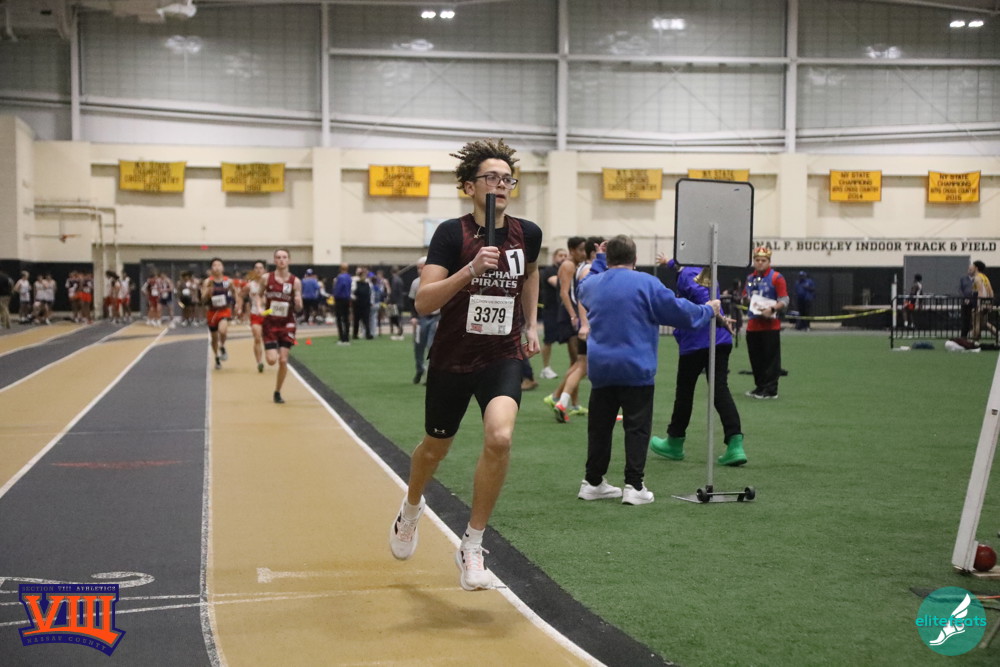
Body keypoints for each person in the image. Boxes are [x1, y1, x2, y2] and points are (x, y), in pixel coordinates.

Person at [389, 138, 542, 591]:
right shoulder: (450, 235)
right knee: (435, 449)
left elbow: (531, 272)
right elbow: (424, 302)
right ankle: (411, 508)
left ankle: (472, 543)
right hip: (453, 358)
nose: (501, 185)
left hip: (502, 354)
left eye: (507, 179)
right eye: (491, 177)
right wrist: (471, 269)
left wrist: (531, 323)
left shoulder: (527, 233)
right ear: (469, 187)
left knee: (500, 436)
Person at [577, 235, 720, 505]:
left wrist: (598, 260)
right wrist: (707, 310)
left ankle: (592, 482)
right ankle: (634, 485)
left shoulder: (594, 284)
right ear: (635, 258)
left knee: (599, 428)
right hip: (636, 368)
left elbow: (582, 287)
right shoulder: (647, 283)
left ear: (609, 258)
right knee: (637, 428)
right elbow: (679, 312)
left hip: (601, 369)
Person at [650, 257, 746, 466]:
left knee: (685, 392)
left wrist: (719, 318)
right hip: (719, 340)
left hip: (697, 341)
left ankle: (675, 442)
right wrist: (669, 263)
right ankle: (735, 443)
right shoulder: (705, 269)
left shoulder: (688, 274)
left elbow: (705, 300)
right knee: (720, 390)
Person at [545, 236, 603, 422]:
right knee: (579, 363)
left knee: (578, 362)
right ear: (572, 250)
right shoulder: (570, 265)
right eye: (580, 249)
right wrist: (573, 315)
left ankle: (571, 402)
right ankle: (558, 397)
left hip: (574, 315)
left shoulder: (577, 266)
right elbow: (565, 292)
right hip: (571, 316)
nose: (582, 253)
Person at [256, 249, 303, 404]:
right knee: (271, 360)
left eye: (284, 257)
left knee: (283, 360)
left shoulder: (295, 281)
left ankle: (277, 391)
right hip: (270, 323)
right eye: (278, 257)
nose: (281, 260)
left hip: (287, 323)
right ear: (274, 260)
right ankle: (270, 350)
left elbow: (299, 306)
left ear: (289, 260)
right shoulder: (266, 278)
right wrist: (260, 307)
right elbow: (258, 295)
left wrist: (298, 303)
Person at [743, 246, 788, 399]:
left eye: (763, 260)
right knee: (756, 359)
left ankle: (771, 390)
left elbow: (784, 300)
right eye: (757, 260)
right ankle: (760, 386)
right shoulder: (750, 278)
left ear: (769, 261)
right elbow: (745, 296)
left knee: (770, 359)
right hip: (753, 325)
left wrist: (773, 309)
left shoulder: (777, 278)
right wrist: (745, 300)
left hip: (770, 326)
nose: (760, 263)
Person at [409, 256, 440, 384]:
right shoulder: (416, 283)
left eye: (421, 268)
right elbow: (412, 301)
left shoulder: (439, 281)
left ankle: (430, 375)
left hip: (436, 317)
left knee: (431, 346)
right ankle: (420, 369)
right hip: (421, 318)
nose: (419, 271)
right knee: (418, 346)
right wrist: (413, 317)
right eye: (418, 268)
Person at [538, 248, 568, 379]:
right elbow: (557, 283)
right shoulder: (549, 270)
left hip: (564, 311)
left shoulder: (566, 271)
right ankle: (546, 368)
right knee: (549, 340)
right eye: (560, 255)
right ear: (554, 257)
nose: (563, 258)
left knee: (572, 339)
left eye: (565, 255)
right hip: (551, 311)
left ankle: (575, 364)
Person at [202, 258, 236, 370]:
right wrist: (208, 292)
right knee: (214, 338)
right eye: (214, 265)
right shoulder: (208, 281)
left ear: (223, 268)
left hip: (224, 310)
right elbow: (203, 298)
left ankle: (222, 346)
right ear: (211, 268)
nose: (217, 267)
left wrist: (237, 305)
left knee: (222, 330)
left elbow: (235, 292)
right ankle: (216, 356)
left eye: (219, 265)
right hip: (212, 311)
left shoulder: (228, 281)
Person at [242, 260, 267, 372]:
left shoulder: (269, 284)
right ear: (253, 270)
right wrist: (239, 307)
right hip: (255, 314)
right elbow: (240, 295)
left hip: (268, 314)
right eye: (256, 268)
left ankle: (270, 355)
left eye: (261, 268)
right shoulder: (249, 285)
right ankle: (259, 362)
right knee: (257, 338)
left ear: (264, 270)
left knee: (269, 339)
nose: (258, 270)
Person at [972, 260, 996, 341]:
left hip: (980, 303)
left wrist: (980, 305)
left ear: (976, 268)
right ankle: (997, 334)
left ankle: (975, 340)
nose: (971, 267)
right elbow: (991, 291)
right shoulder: (985, 277)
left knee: (976, 322)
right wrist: (990, 303)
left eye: (973, 266)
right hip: (986, 303)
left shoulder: (977, 278)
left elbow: (980, 292)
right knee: (984, 323)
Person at [333, 263, 353, 345]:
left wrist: (335, 295)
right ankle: (347, 337)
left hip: (340, 299)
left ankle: (341, 338)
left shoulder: (340, 277)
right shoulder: (349, 277)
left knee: (339, 319)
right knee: (346, 319)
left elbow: (339, 288)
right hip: (347, 298)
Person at [960, 262, 977, 339]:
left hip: (974, 302)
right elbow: (960, 290)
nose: (969, 271)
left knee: (975, 321)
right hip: (965, 303)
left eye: (971, 269)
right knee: (965, 321)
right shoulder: (963, 279)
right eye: (969, 269)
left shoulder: (977, 279)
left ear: (975, 270)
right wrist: (965, 299)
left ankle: (975, 337)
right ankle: (963, 336)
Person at [389, 266, 406, 340]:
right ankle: (400, 330)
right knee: (398, 317)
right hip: (400, 301)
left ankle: (400, 330)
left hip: (396, 302)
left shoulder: (395, 280)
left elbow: (394, 292)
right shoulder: (400, 280)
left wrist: (391, 302)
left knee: (394, 317)